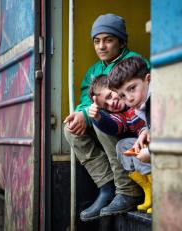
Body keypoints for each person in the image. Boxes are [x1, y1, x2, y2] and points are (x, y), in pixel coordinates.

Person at [63, 13, 149, 221]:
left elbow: (134, 99)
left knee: (99, 118)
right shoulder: (94, 71)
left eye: (108, 40)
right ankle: (106, 186)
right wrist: (81, 113)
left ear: (121, 42)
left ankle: (127, 189)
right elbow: (86, 97)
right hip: (114, 122)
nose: (101, 46)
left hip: (132, 123)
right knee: (70, 129)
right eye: (97, 41)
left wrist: (92, 114)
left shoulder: (133, 61)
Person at [107, 56, 153, 214]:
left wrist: (151, 151)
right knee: (124, 146)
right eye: (122, 96)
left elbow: (174, 136)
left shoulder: (157, 100)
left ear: (148, 79)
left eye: (132, 88)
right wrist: (146, 132)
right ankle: (149, 188)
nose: (129, 98)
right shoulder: (142, 106)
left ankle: (160, 193)